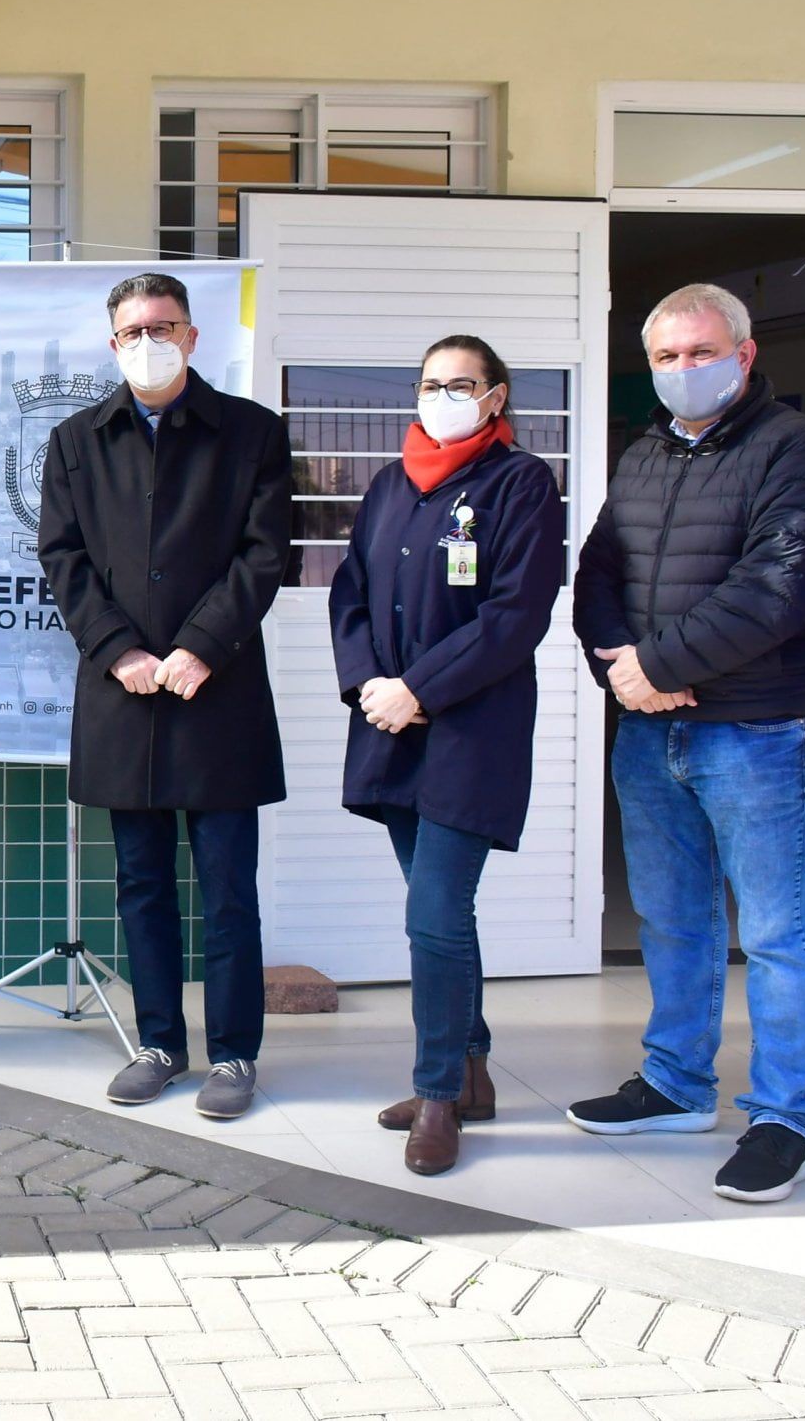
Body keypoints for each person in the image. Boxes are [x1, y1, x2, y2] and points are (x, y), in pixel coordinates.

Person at [571, 282, 805, 1204]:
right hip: (651, 732)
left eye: (701, 352)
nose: (684, 370)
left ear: (744, 351)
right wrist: (627, 672)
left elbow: (779, 588)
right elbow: (598, 572)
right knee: (672, 919)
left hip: (760, 734)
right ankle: (676, 1084)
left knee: (776, 932)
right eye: (667, 357)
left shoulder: (798, 451)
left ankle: (782, 1121)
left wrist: (656, 663)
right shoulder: (645, 453)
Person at [39, 273, 291, 1118]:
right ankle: (158, 1044)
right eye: (133, 331)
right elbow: (63, 558)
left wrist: (200, 646)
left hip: (218, 690)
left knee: (228, 890)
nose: (148, 342)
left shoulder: (251, 433)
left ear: (191, 335)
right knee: (141, 884)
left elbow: (264, 554)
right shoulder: (76, 440)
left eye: (164, 326)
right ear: (112, 344)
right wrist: (119, 651)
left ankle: (235, 1054)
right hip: (124, 694)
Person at [330, 335, 564, 1175]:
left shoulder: (522, 484)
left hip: (470, 731)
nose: (442, 397)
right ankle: (471, 1073)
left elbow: (515, 615)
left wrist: (418, 688)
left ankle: (436, 1095)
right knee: (441, 917)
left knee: (433, 913)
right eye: (431, 384)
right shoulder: (391, 483)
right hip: (391, 727)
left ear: (496, 396)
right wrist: (368, 683)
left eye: (461, 384)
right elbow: (351, 591)